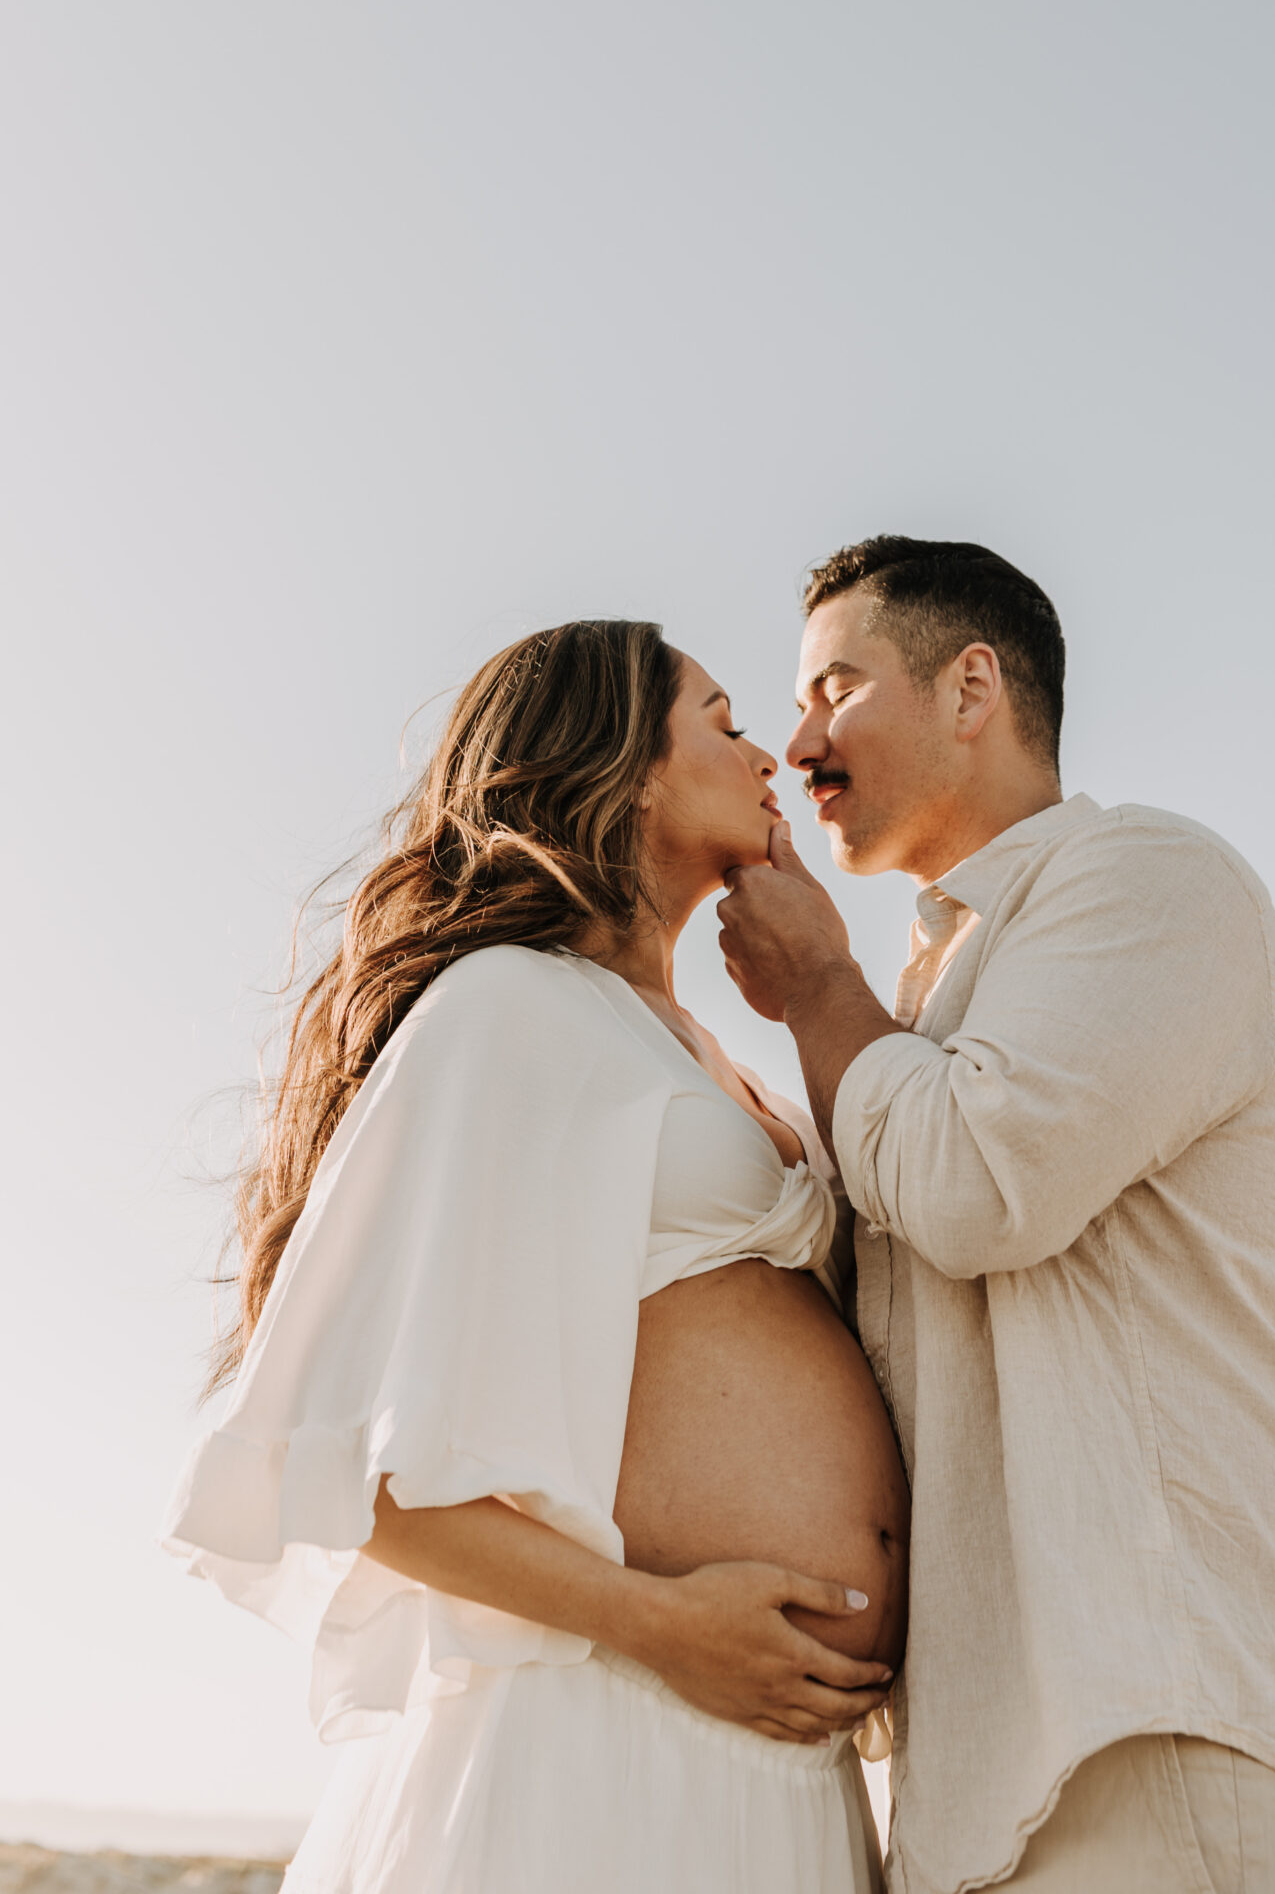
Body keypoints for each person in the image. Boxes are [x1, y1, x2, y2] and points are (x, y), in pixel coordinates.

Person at [718, 537, 1275, 1894]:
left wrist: (817, 990)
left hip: (1179, 1737)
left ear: (971, 685)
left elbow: (980, 1189)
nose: (796, 743)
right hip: (997, 1786)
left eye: (834, 689)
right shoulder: (923, 1000)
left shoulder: (1147, 880)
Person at [166, 620, 906, 1894]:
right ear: (621, 766)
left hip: (777, 1769)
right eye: (723, 722)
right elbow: (358, 1480)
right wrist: (665, 1626)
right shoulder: (507, 1004)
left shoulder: (711, 1054)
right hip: (601, 1737)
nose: (769, 753)